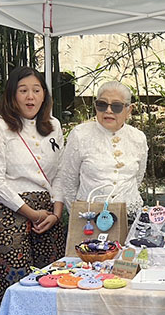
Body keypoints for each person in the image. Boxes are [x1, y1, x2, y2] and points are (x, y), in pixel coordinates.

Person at [0, 66, 67, 315]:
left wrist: (56, 213)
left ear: (44, 95)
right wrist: (30, 213)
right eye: (23, 90)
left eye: (36, 90)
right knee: (15, 281)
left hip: (48, 214)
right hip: (12, 212)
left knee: (50, 279)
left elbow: (61, 174)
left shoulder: (54, 125)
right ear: (12, 95)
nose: (30, 97)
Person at [56, 81, 148, 221]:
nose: (108, 110)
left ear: (129, 110)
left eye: (116, 106)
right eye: (102, 104)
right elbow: (68, 181)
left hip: (130, 217)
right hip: (90, 219)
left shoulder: (138, 138)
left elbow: (138, 177)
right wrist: (79, 216)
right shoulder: (80, 135)